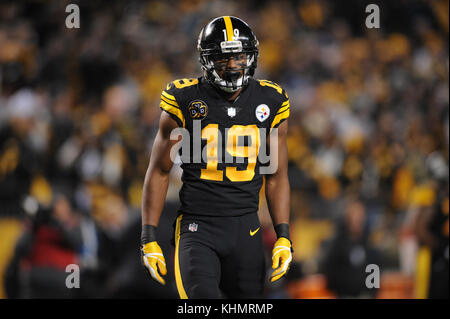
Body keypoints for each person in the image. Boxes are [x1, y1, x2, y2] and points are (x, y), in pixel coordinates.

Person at [140, 16, 292, 299]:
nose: (233, 65)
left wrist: (283, 234)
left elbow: (276, 175)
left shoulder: (270, 101)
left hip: (246, 229)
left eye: (239, 56)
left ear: (251, 56)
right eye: (223, 58)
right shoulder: (184, 99)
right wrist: (148, 237)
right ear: (206, 60)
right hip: (198, 228)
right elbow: (160, 171)